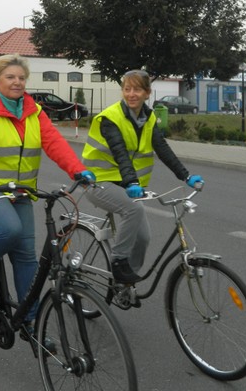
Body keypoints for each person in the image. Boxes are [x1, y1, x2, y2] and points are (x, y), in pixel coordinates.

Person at [0, 54, 95, 345]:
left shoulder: (34, 112)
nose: (17, 82)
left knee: (26, 255)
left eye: (21, 77)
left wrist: (77, 169)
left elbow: (54, 142)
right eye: (10, 77)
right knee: (8, 230)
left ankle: (30, 321)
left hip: (19, 191)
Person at [81, 69, 203, 283]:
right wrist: (131, 182)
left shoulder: (148, 118)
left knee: (143, 238)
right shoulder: (110, 118)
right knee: (133, 209)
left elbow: (162, 149)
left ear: (147, 93)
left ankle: (126, 284)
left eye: (137, 89)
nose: (131, 94)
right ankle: (118, 262)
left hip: (126, 185)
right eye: (127, 89)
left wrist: (186, 176)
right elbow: (120, 153)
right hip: (98, 181)